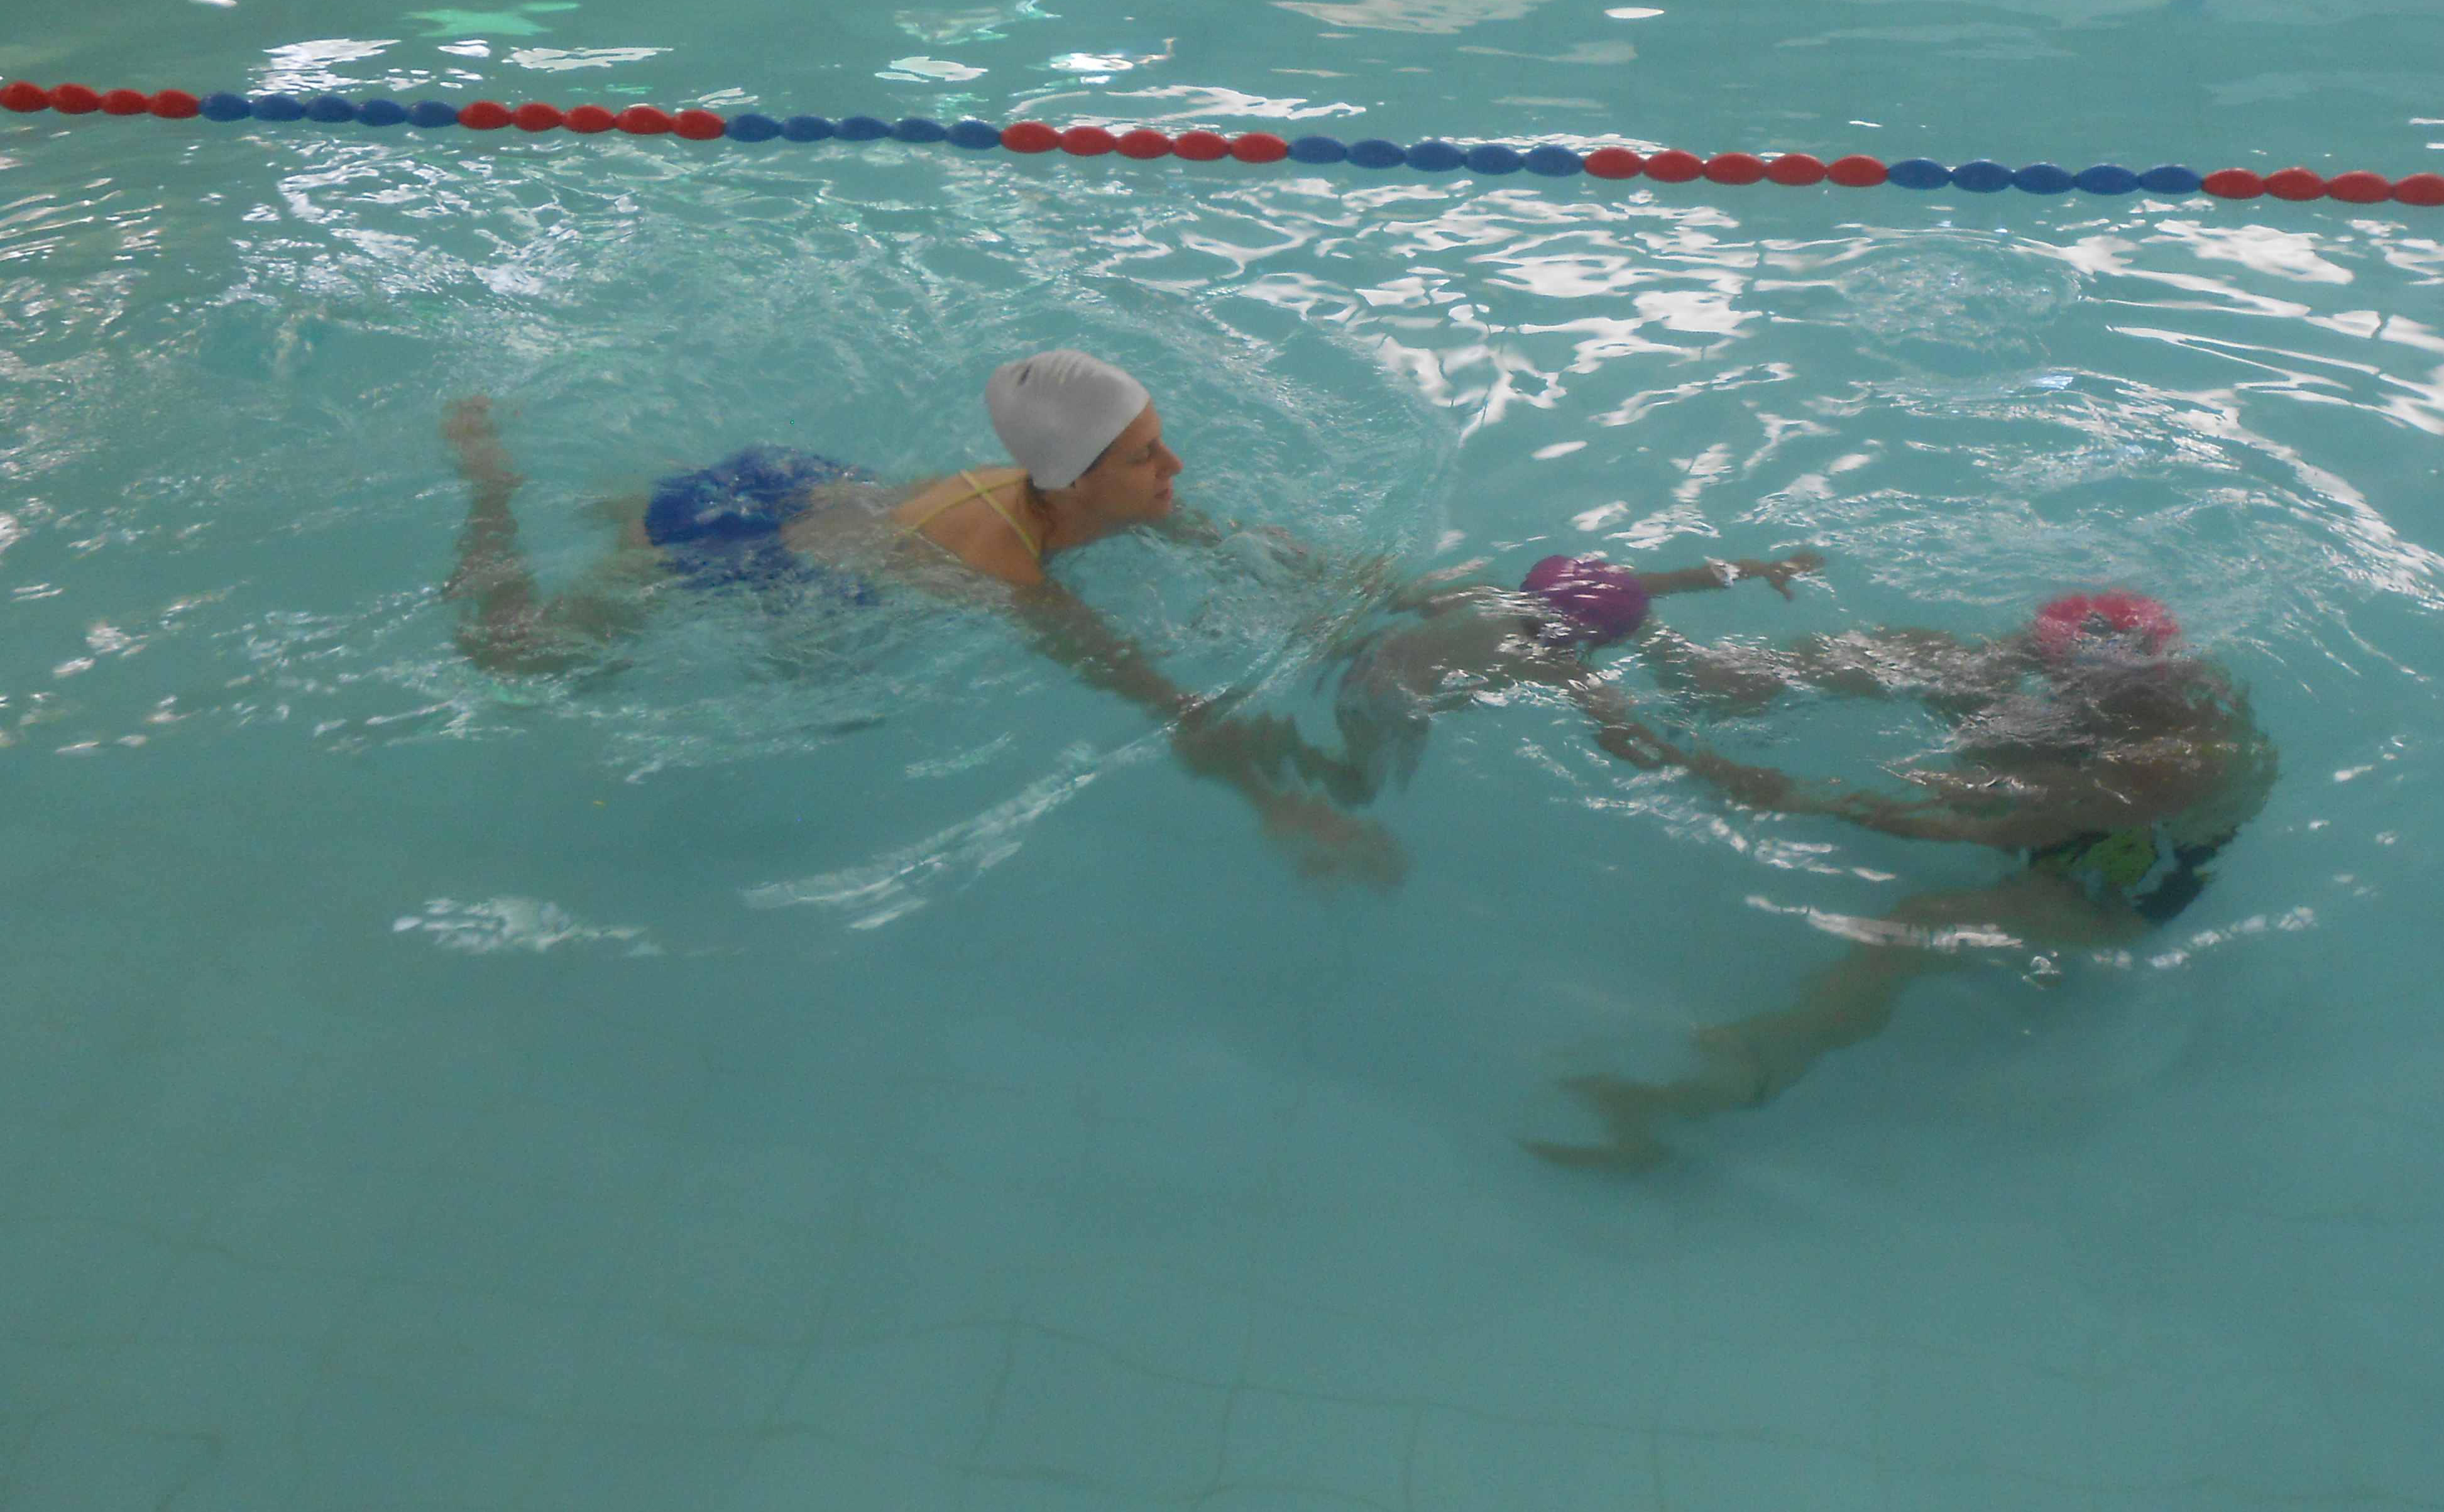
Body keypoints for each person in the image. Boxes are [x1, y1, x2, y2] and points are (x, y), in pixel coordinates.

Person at [441, 351, 1397, 884]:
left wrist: (1397, 599)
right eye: (1147, 455)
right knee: (519, 660)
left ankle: (622, 505)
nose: (1174, 467)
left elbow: (1234, 539)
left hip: (812, 489)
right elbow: (1158, 700)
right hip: (734, 539)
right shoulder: (1008, 572)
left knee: (829, 652)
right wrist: (1276, 801)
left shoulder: (1067, 488)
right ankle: (491, 484)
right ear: (1075, 481)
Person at [1532, 591, 2277, 1168]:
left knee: (1921, 924)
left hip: (2113, 881)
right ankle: (1710, 676)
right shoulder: (2114, 645)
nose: (2048, 684)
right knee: (1924, 655)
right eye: (2051, 672)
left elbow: (1968, 829)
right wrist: (1957, 675)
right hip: (2078, 789)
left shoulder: (2176, 760)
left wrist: (1772, 790)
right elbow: (1993, 671)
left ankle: (1716, 1088)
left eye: (2062, 682)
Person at [1315, 546, 1826, 801]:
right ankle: (1299, 777)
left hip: (1368, 652)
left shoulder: (1486, 593)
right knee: (1359, 789)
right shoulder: (1551, 667)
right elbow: (1625, 737)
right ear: (1590, 641)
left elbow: (1675, 579)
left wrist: (1763, 568)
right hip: (1383, 705)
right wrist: (1716, 772)